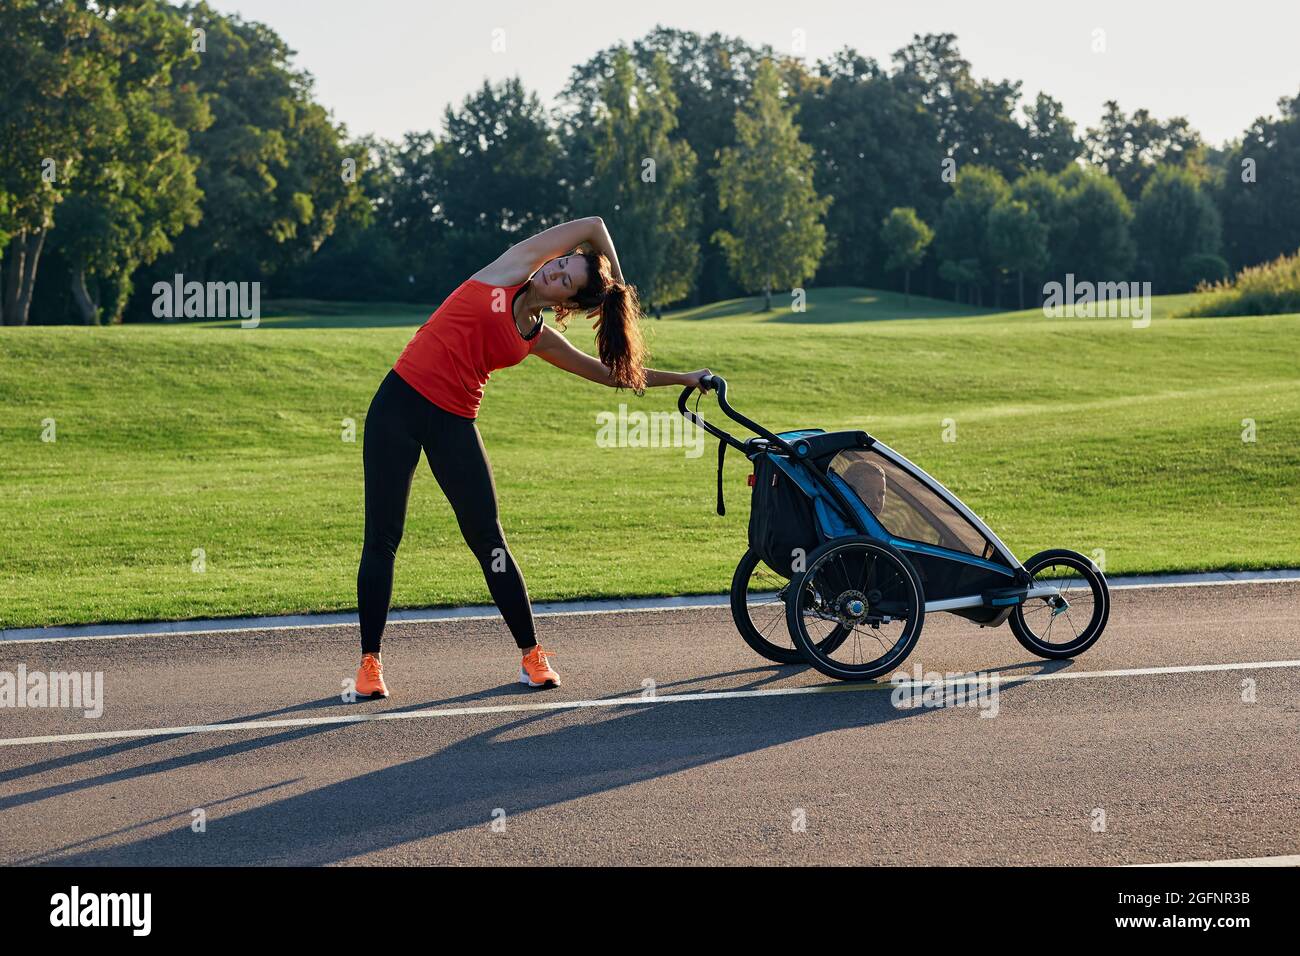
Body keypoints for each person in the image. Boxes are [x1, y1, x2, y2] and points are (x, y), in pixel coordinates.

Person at [355, 216, 712, 697]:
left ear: (567, 303)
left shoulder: (536, 336)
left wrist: (685, 378)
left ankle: (531, 656)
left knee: (489, 540)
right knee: (383, 536)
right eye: (560, 264)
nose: (555, 272)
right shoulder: (509, 270)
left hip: (454, 422)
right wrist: (619, 283)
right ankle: (370, 663)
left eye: (565, 279)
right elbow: (593, 225)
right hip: (397, 406)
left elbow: (612, 375)